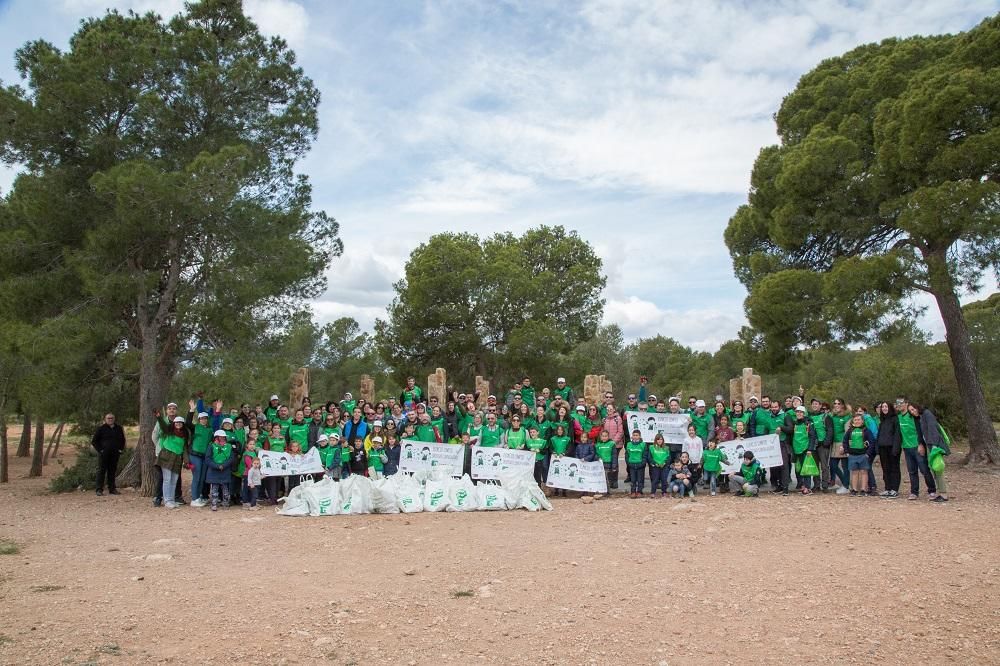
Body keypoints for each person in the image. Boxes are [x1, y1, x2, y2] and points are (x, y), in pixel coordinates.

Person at [895, 397, 936, 500]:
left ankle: (932, 490)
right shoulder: (899, 417)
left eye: (901, 402)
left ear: (906, 403)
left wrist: (921, 444)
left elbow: (919, 430)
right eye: (897, 403)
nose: (899, 404)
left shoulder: (913, 416)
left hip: (917, 447)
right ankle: (914, 492)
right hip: (906, 447)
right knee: (911, 471)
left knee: (924, 469)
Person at [912, 402, 950, 502]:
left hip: (934, 445)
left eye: (913, 409)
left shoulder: (927, 414)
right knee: (934, 468)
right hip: (929, 445)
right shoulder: (919, 417)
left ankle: (943, 494)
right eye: (911, 411)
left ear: (917, 407)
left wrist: (933, 445)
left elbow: (933, 429)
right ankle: (941, 492)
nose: (913, 412)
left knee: (938, 468)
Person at [154, 410, 190, 509]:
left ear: (183, 424)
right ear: (174, 424)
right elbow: (163, 426)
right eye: (176, 423)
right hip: (166, 457)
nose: (178, 424)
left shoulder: (184, 435)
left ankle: (172, 499)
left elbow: (185, 449)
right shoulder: (169, 431)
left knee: (174, 480)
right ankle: (167, 500)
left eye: (180, 423)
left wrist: (187, 462)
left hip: (177, 459)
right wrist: (159, 417)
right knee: (167, 479)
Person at [783, 406, 818, 495]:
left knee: (806, 469)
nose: (799, 413)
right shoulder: (795, 423)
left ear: (804, 413)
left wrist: (810, 449)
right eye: (797, 412)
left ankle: (808, 487)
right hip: (796, 450)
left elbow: (812, 436)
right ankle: (802, 486)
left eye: (801, 412)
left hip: (805, 449)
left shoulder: (808, 423)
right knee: (798, 469)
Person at [91, 413, 125, 496]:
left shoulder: (119, 428)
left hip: (115, 454)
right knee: (101, 471)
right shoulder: (101, 429)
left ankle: (112, 489)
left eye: (112, 418)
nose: (110, 419)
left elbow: (122, 440)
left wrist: (120, 449)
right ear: (105, 419)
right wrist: (101, 450)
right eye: (108, 418)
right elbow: (94, 441)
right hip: (104, 454)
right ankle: (99, 490)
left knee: (112, 471)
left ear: (114, 419)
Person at [843, 413, 875, 496]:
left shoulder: (866, 430)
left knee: (864, 472)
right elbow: (845, 441)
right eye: (855, 420)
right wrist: (846, 452)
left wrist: (868, 453)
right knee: (854, 472)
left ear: (862, 421)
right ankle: (854, 489)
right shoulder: (850, 431)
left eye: (859, 420)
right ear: (852, 421)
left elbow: (871, 442)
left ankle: (864, 489)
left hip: (863, 454)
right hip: (852, 454)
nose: (857, 421)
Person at [206, 430, 234, 511]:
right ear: (216, 437)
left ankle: (225, 502)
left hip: (225, 470)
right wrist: (216, 466)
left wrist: (224, 465)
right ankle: (214, 503)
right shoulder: (211, 446)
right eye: (220, 437)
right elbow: (207, 458)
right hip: (214, 470)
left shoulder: (229, 446)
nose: (222, 438)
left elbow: (231, 458)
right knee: (214, 488)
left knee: (225, 488)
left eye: (223, 437)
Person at [625, 429, 648, 498]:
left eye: (637, 435)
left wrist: (642, 463)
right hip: (632, 465)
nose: (635, 437)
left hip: (640, 465)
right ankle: (633, 492)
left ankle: (640, 491)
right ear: (632, 436)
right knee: (633, 480)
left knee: (640, 479)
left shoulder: (643, 444)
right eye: (634, 435)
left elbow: (645, 455)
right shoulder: (629, 444)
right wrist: (629, 463)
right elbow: (627, 455)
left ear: (640, 436)